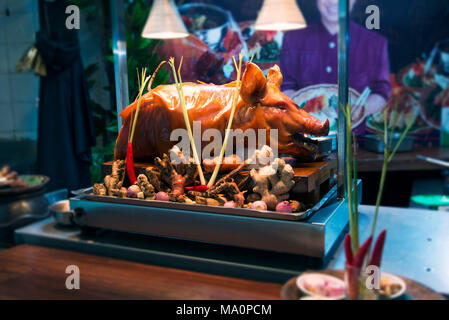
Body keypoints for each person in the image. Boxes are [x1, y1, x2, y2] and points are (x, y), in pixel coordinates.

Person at [280, 0, 391, 134]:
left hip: (356, 142)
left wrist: (363, 107)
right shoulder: (293, 39)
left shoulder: (375, 42)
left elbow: (381, 91)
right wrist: (307, 111)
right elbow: (286, 85)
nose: (333, 2)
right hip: (305, 138)